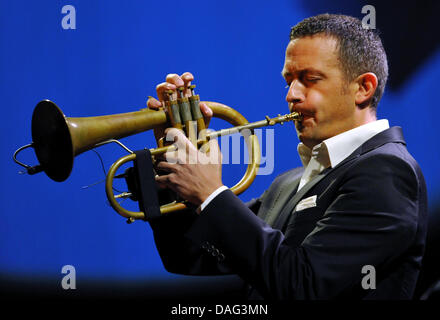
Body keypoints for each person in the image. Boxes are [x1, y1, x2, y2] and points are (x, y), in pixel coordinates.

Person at [145, 13, 428, 299]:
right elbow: (192, 256)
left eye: (310, 79)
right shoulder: (290, 182)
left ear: (363, 88)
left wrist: (211, 194)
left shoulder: (387, 171)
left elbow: (303, 287)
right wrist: (173, 171)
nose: (291, 95)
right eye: (289, 80)